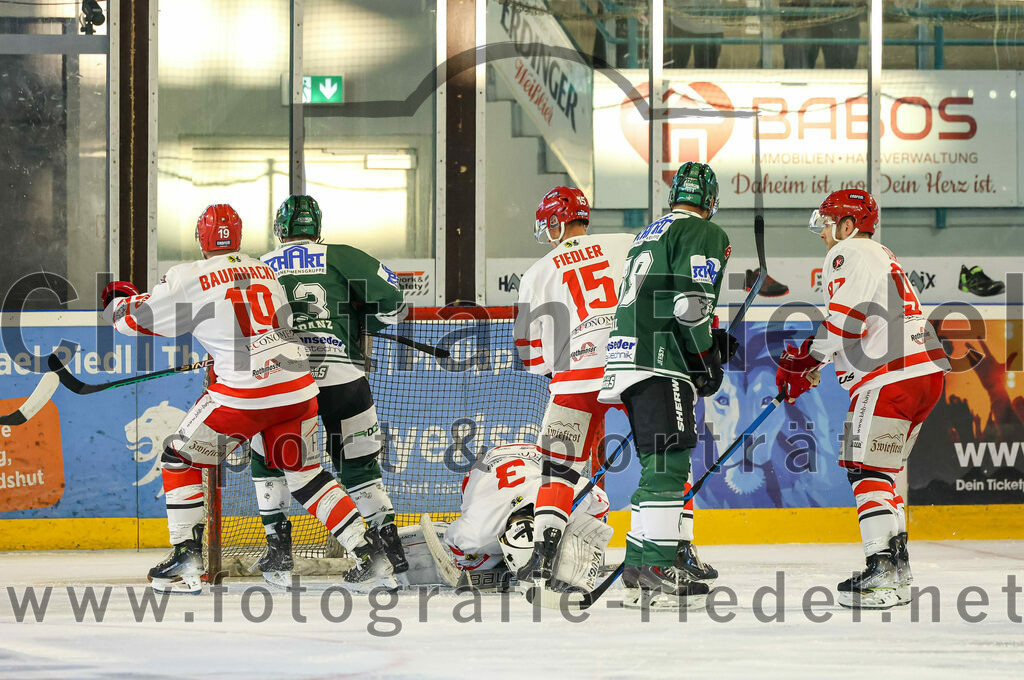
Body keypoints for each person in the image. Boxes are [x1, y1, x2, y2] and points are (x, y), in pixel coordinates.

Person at [102, 204, 382, 594]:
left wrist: (118, 300)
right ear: (239, 236)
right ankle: (370, 552)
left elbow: (135, 321)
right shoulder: (264, 269)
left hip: (245, 396)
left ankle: (186, 558)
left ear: (201, 239)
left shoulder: (188, 275)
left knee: (177, 458)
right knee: (305, 475)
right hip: (297, 389)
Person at [775, 189, 950, 609]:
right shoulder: (881, 253)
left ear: (849, 225)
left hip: (890, 375)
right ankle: (898, 571)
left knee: (863, 468)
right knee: (881, 473)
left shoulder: (847, 252)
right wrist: (817, 361)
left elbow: (846, 323)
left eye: (829, 222)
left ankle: (881, 574)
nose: (823, 234)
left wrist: (803, 360)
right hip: (924, 373)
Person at [252, 195, 410, 585]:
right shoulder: (341, 256)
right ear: (317, 229)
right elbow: (393, 301)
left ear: (280, 230)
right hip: (344, 378)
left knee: (270, 459)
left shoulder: (261, 265)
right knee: (360, 467)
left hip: (286, 384)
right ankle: (389, 555)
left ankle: (279, 554)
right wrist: (360, 313)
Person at [598, 162, 734, 610]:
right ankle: (657, 565)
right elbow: (690, 305)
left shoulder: (649, 232)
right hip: (659, 363)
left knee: (655, 464)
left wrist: (706, 345)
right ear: (709, 200)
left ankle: (638, 564)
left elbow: (665, 298)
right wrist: (704, 358)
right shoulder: (703, 232)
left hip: (627, 360)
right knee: (671, 466)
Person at [512, 186, 633, 587]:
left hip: (574, 379)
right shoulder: (626, 244)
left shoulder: (537, 273)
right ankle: (670, 549)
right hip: (633, 367)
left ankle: (544, 559)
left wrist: (560, 364)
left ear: (552, 223)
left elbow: (532, 358)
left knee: (558, 471)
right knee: (662, 459)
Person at [444, 443, 612, 593]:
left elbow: (601, 502)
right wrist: (478, 563)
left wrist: (570, 547)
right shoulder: (479, 533)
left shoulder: (557, 503)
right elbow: (454, 544)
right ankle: (501, 557)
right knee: (478, 551)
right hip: (484, 467)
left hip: (536, 455)